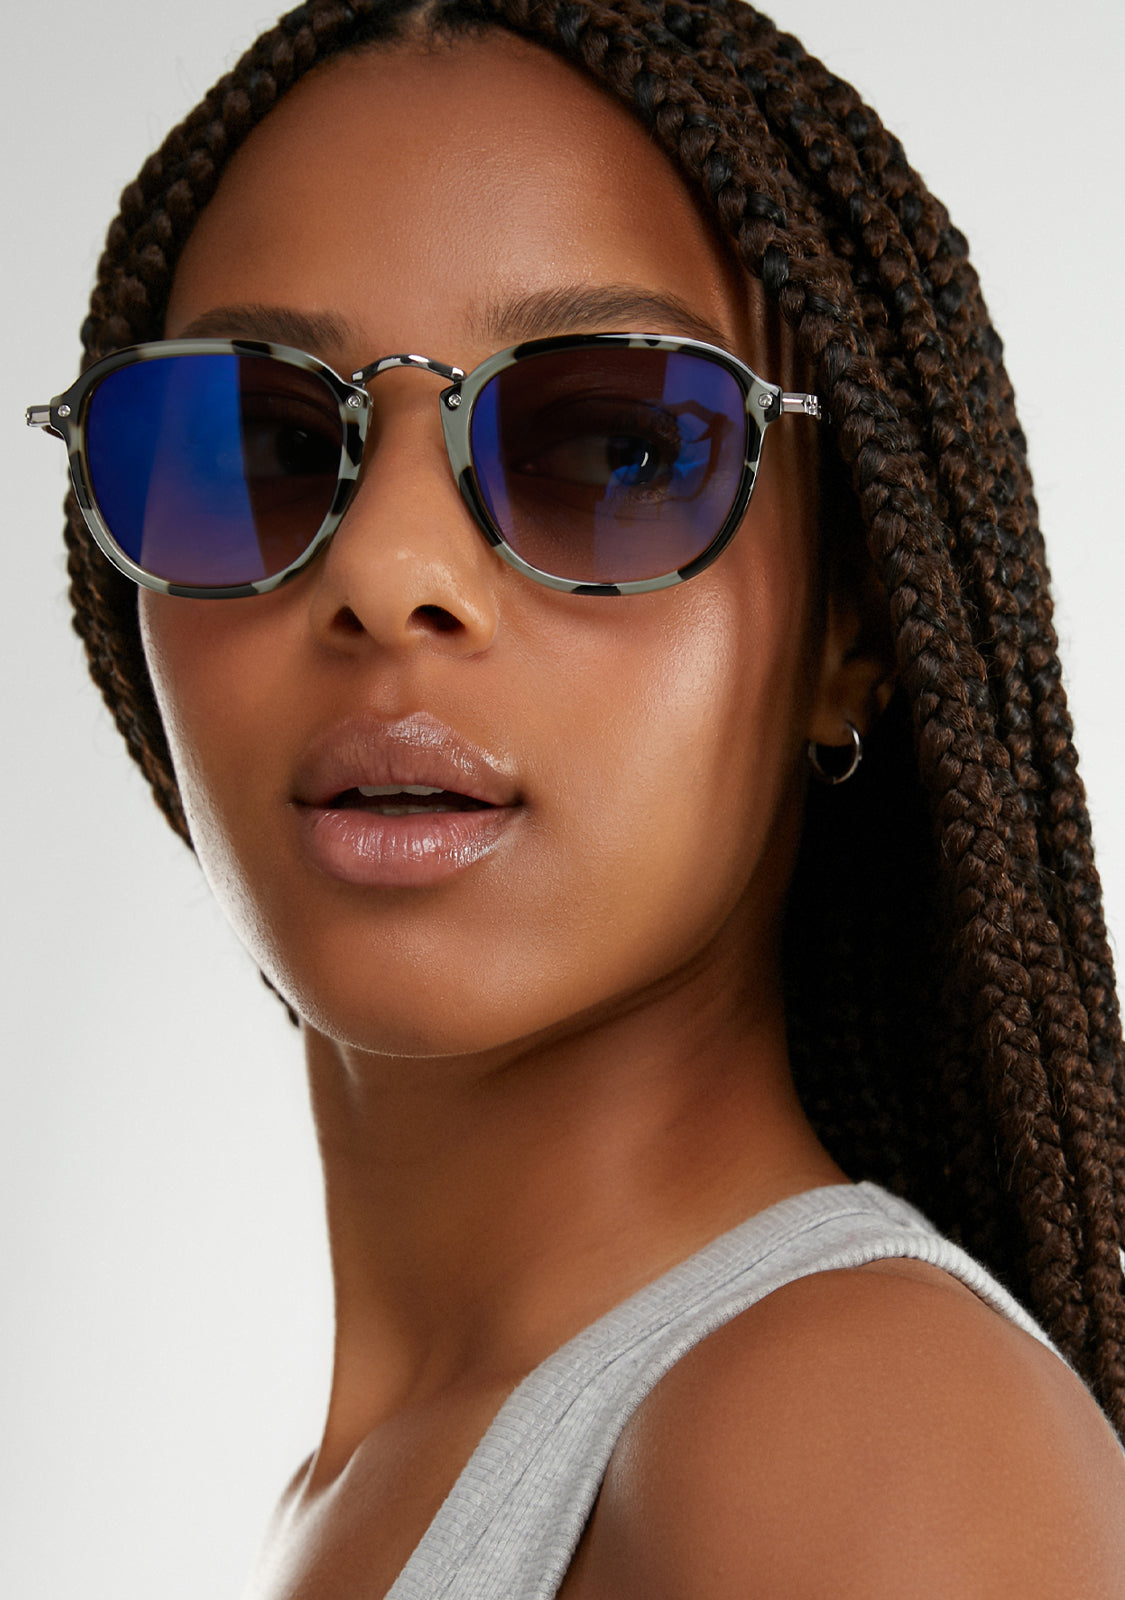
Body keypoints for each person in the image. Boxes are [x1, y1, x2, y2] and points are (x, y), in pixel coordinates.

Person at [26, 0, 1125, 1592]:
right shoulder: (386, 1480)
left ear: (850, 630)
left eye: (613, 450)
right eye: (259, 441)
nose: (388, 572)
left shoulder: (860, 1442)